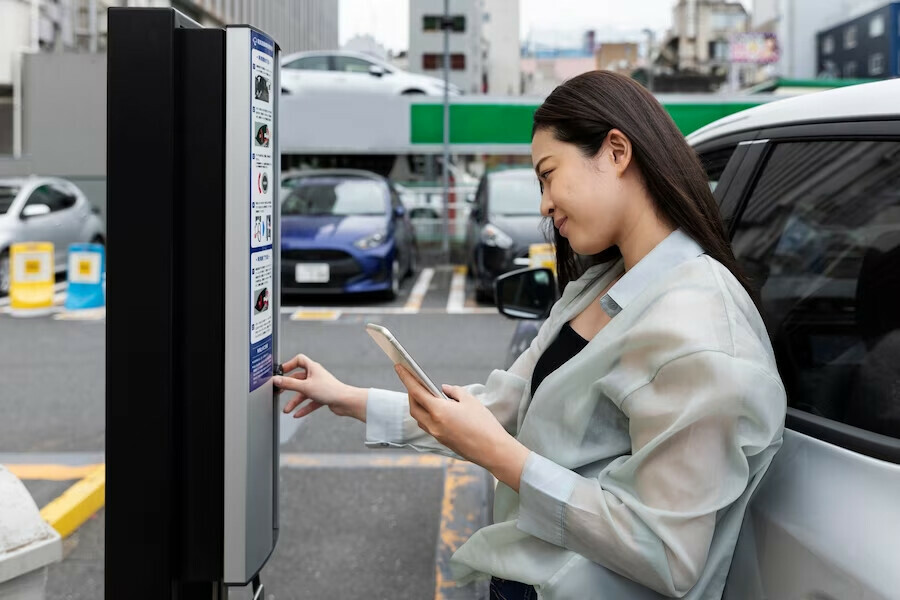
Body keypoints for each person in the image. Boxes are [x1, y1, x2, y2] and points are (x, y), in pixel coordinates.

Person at [273, 70, 786, 599]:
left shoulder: (700, 328)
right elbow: (503, 407)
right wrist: (347, 397)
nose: (542, 203)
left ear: (616, 151)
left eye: (547, 174)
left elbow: (666, 553)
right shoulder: (602, 285)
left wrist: (501, 456)